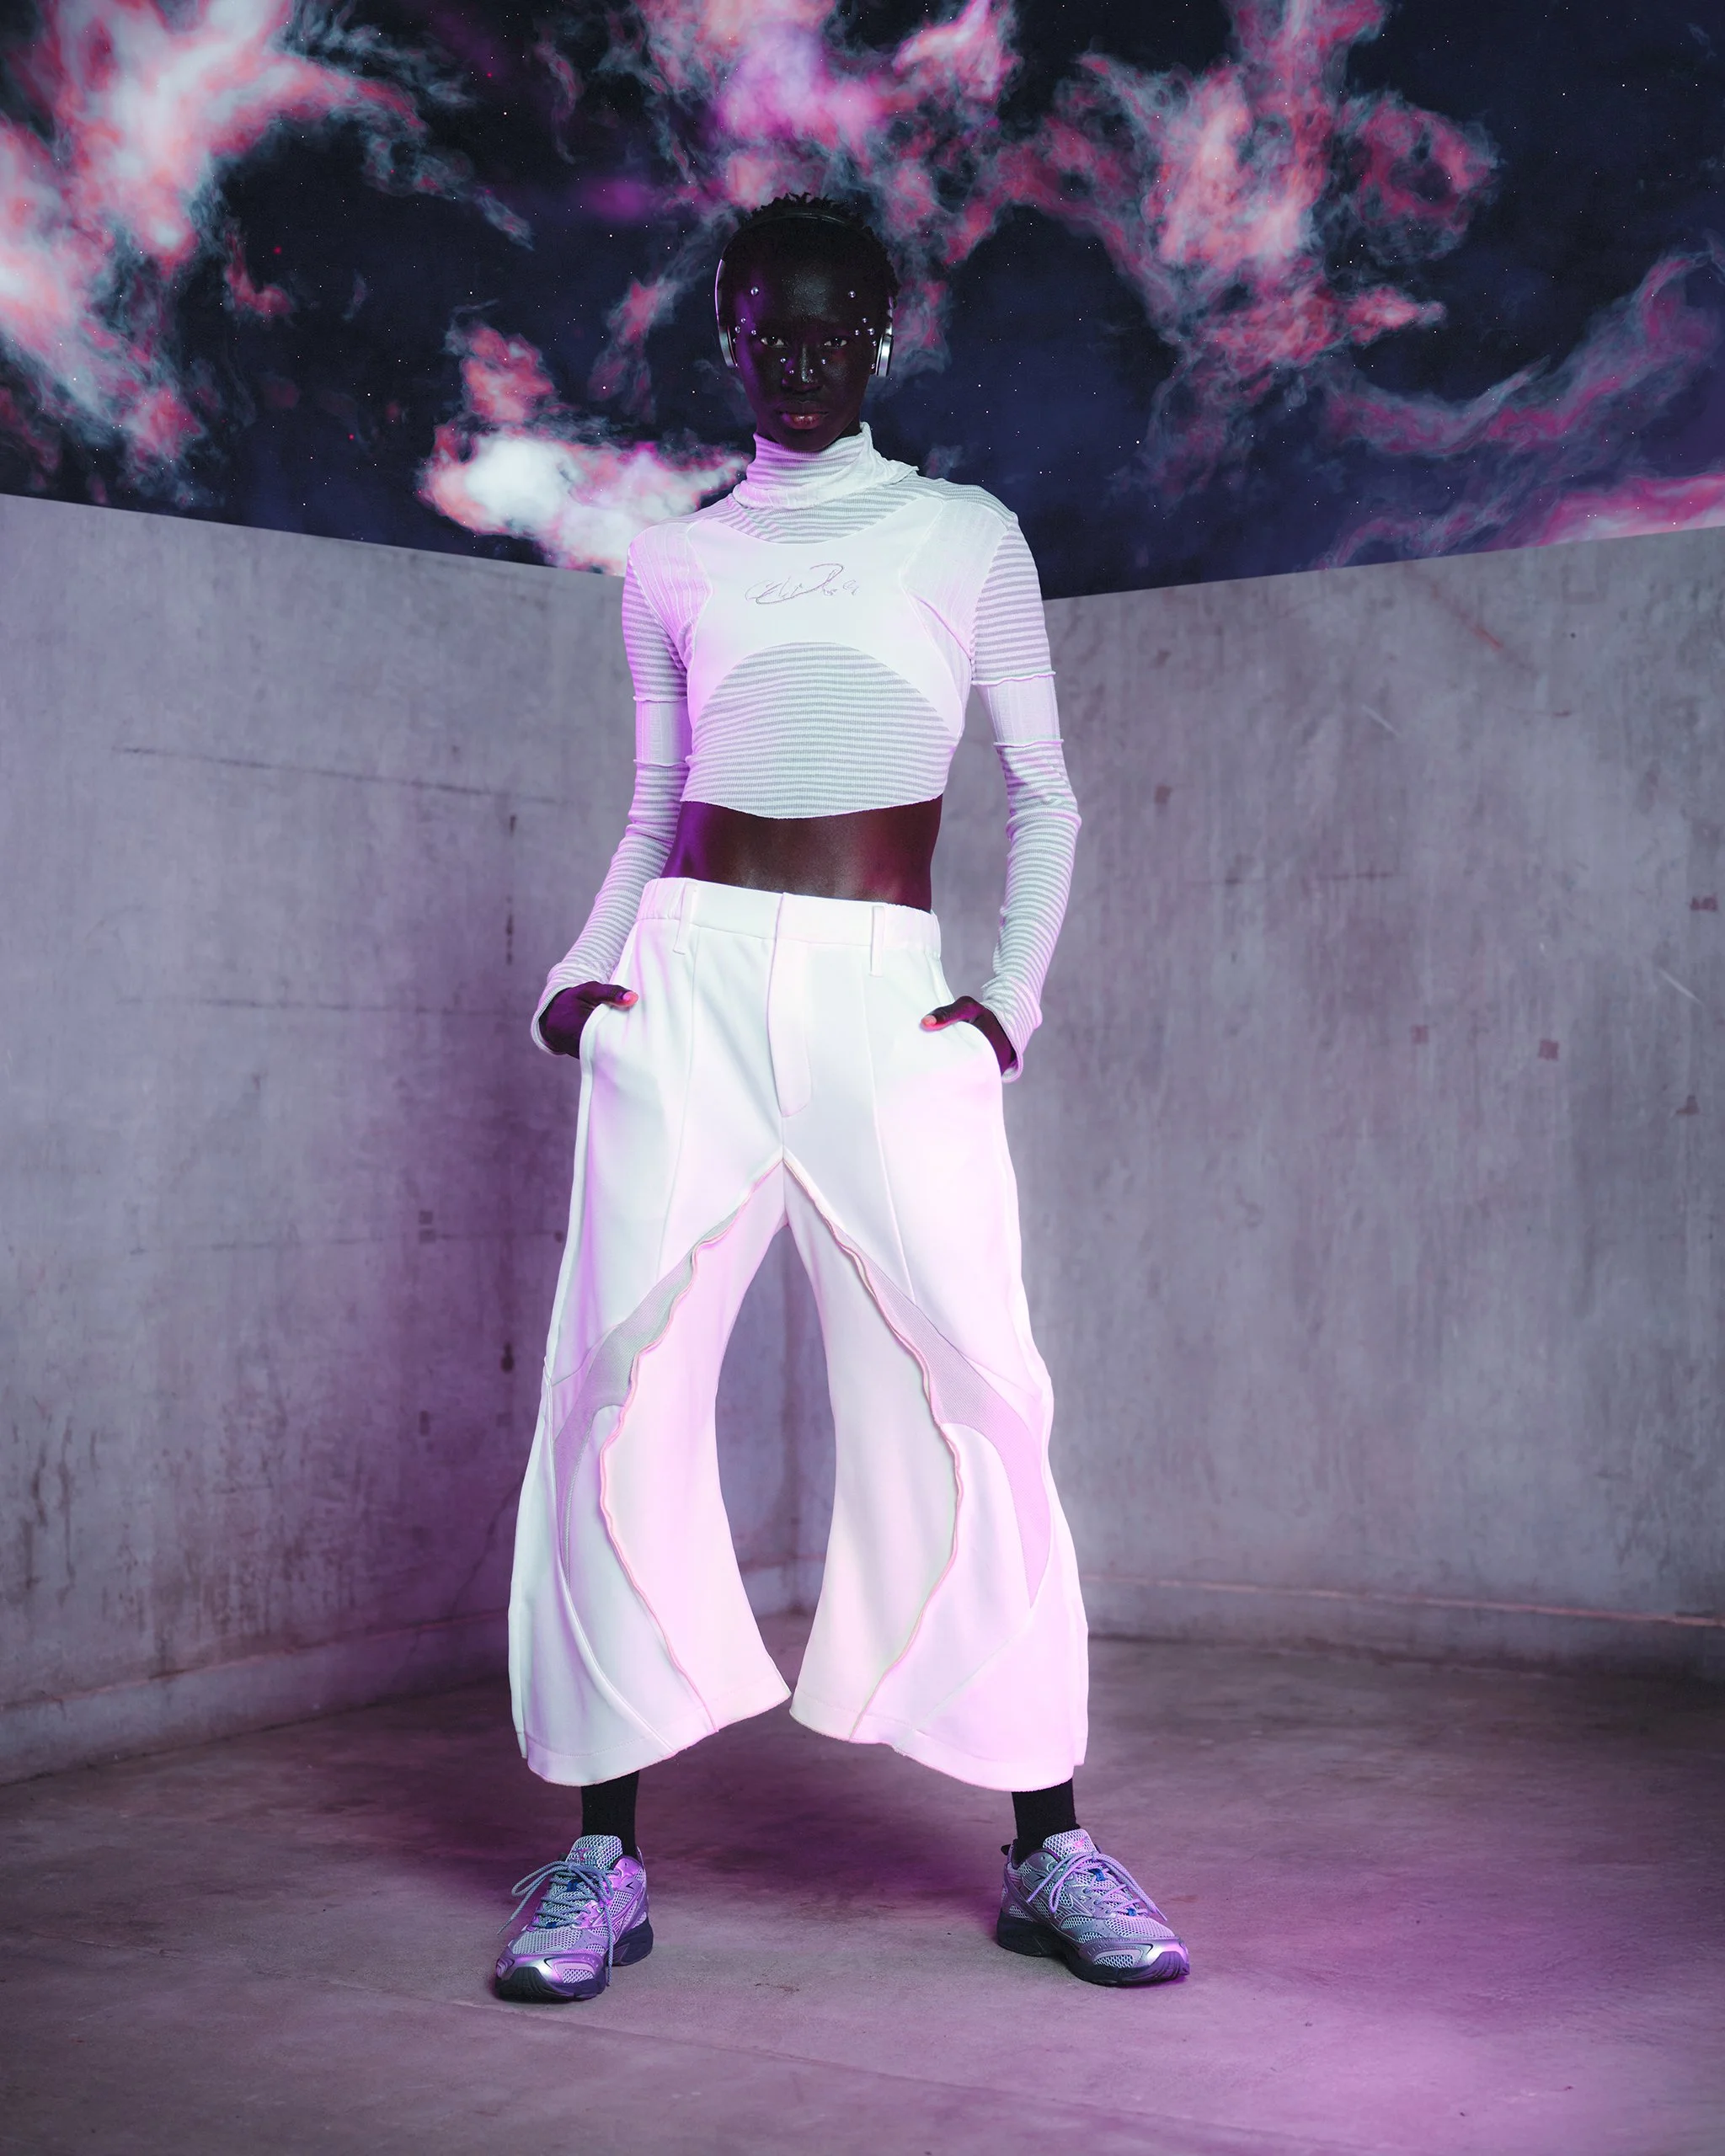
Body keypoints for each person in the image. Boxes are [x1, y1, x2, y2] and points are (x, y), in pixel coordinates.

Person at [494, 195, 1188, 2001]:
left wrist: (1001, 1011)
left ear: (880, 335)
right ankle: (597, 1853)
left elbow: (1045, 796)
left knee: (985, 1384)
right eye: (765, 329)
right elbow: (655, 814)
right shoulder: (667, 564)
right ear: (728, 336)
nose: (797, 357)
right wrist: (581, 978)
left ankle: (1051, 1844)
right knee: (607, 1384)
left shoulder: (965, 537)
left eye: (830, 328)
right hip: (693, 985)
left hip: (891, 994)